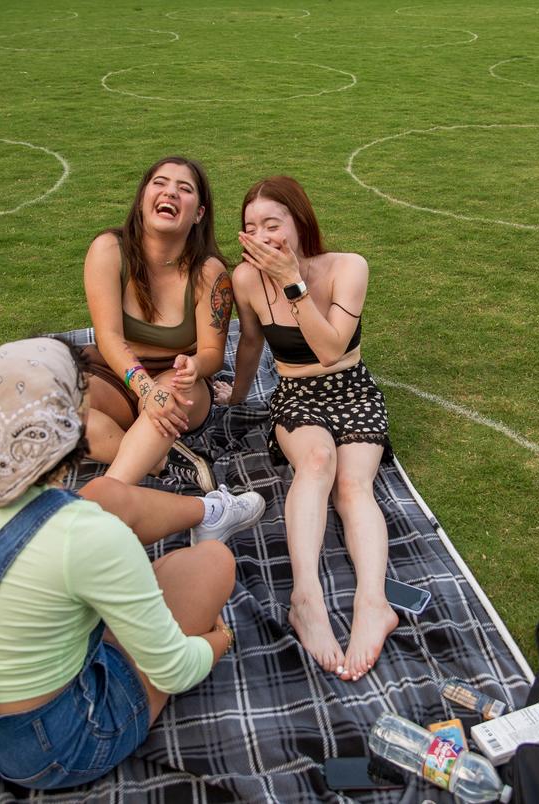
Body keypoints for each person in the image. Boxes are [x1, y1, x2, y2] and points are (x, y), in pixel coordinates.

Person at [0, 337, 264, 789]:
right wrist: (220, 639)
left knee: (105, 495)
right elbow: (176, 668)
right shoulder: (84, 535)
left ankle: (210, 511)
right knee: (212, 562)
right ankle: (213, 527)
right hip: (60, 744)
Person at [214, 177, 397, 682]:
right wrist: (238, 390)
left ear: (300, 222)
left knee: (354, 484)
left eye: (273, 224)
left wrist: (294, 283)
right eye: (250, 228)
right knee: (317, 462)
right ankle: (306, 599)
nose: (261, 237)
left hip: (353, 388)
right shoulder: (246, 280)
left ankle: (373, 603)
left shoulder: (348, 267)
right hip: (296, 395)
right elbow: (250, 342)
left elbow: (331, 349)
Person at [81, 156, 233, 491]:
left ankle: (105, 501)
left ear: (199, 214)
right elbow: (108, 337)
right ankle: (161, 460)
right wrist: (144, 390)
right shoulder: (108, 249)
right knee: (51, 407)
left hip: (177, 378)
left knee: (168, 398)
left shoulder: (210, 273)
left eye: (185, 189)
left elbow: (213, 353)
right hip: (117, 371)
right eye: (160, 183)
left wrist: (194, 365)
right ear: (142, 200)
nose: (171, 193)